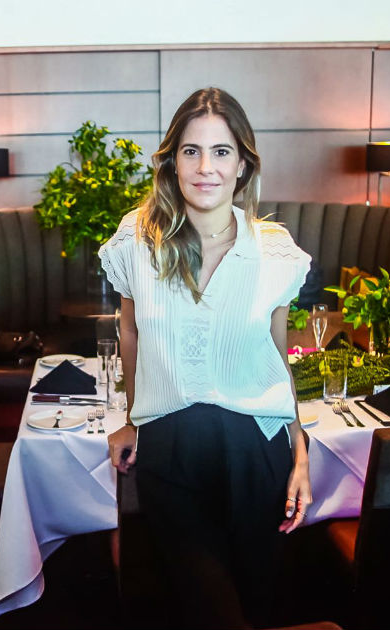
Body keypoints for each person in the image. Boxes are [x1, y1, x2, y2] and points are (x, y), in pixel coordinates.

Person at [99, 87, 312, 629]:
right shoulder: (137, 241)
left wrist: (301, 454)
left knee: (256, 604)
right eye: (191, 151)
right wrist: (132, 418)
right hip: (171, 451)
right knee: (209, 608)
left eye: (221, 152)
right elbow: (131, 332)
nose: (205, 168)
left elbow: (277, 356)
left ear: (242, 165)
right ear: (172, 162)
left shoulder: (275, 252)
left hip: (258, 452)